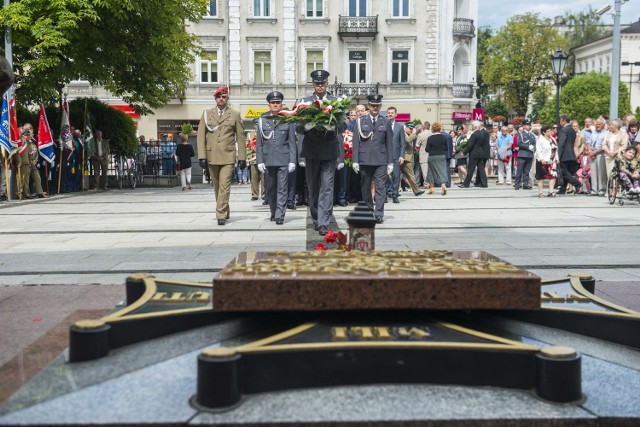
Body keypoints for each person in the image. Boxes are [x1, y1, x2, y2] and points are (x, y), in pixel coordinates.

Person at [297, 70, 345, 236]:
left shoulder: (336, 102)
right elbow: (297, 127)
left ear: (327, 84)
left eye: (322, 83)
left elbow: (344, 125)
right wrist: (307, 126)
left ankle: (324, 222)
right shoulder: (305, 102)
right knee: (313, 188)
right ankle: (317, 218)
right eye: (317, 83)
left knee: (327, 188)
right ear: (313, 84)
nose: (320, 86)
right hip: (311, 152)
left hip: (329, 151)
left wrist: (334, 127)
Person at [197, 86, 247, 226]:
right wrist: (202, 156)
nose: (221, 99)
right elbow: (201, 136)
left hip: (228, 156)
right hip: (212, 155)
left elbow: (241, 137)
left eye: (223, 97)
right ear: (215, 99)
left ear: (227, 99)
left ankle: (220, 214)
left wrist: (242, 157)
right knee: (217, 187)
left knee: (225, 186)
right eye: (218, 97)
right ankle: (225, 210)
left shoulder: (234, 114)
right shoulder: (207, 114)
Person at [256, 91, 297, 225]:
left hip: (283, 159)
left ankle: (280, 215)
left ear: (281, 104)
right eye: (273, 103)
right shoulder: (262, 121)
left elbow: (292, 141)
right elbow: (259, 143)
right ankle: (273, 212)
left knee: (282, 188)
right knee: (270, 188)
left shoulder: (288, 120)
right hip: (268, 160)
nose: (275, 105)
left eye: (278, 102)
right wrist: (260, 161)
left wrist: (292, 160)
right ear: (269, 105)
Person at [351, 94, 393, 223]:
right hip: (365, 160)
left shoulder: (385, 121)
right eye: (372, 105)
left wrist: (390, 162)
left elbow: (389, 144)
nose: (375, 107)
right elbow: (355, 142)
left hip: (381, 160)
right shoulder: (360, 121)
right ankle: (369, 211)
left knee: (381, 188)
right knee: (365, 188)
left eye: (377, 105)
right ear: (368, 106)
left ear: (380, 106)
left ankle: (379, 214)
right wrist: (355, 160)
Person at [14, 128, 47, 199]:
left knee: (37, 177)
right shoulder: (21, 142)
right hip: (25, 162)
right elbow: (17, 152)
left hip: (31, 162)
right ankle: (24, 194)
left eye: (29, 134)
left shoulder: (31, 143)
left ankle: (39, 192)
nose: (28, 136)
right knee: (24, 179)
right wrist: (19, 161)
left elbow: (34, 152)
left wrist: (34, 161)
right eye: (26, 135)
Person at [557, 115, 582, 195]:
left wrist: (558, 155)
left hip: (564, 154)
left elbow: (561, 144)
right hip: (571, 153)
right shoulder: (572, 129)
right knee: (567, 172)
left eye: (561, 121)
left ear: (564, 121)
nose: (560, 123)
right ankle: (562, 189)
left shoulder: (564, 130)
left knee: (564, 171)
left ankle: (577, 184)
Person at [460, 121, 490, 188]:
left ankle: (466, 184)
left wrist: (464, 152)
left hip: (474, 154)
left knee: (471, 169)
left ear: (475, 126)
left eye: (472, 125)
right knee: (481, 169)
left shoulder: (474, 134)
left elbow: (470, 145)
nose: (472, 126)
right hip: (480, 153)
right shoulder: (481, 134)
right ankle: (484, 184)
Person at [399, 122, 424, 196]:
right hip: (404, 158)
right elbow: (408, 140)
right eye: (409, 128)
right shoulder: (403, 134)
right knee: (407, 175)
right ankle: (416, 190)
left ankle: (416, 190)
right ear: (405, 128)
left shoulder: (408, 134)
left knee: (406, 175)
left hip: (407, 158)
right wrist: (414, 134)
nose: (411, 130)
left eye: (412, 128)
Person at [385, 106, 404, 204]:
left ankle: (395, 195)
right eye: (388, 113)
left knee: (396, 176)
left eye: (392, 113)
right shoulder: (383, 125)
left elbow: (402, 143)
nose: (390, 114)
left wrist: (402, 155)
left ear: (396, 114)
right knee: (384, 177)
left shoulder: (400, 127)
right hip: (384, 156)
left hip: (396, 156)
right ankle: (384, 196)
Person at [425, 122, 449, 195]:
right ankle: (443, 186)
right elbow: (446, 148)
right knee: (442, 171)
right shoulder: (444, 137)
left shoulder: (430, 138)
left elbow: (427, 149)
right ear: (439, 129)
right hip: (441, 156)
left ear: (432, 129)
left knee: (430, 172)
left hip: (432, 156)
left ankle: (432, 189)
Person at [535, 125, 559, 197]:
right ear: (544, 132)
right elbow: (539, 150)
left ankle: (551, 191)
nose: (550, 132)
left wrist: (557, 158)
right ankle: (540, 192)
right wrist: (541, 159)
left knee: (553, 176)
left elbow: (555, 149)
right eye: (548, 131)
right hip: (543, 160)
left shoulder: (553, 139)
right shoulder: (540, 140)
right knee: (541, 177)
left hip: (552, 160)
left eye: (550, 131)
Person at [514, 120, 536, 190]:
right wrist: (527, 147)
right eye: (527, 125)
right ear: (524, 126)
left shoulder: (532, 135)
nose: (529, 126)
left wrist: (533, 148)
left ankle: (525, 184)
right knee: (519, 170)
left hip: (529, 155)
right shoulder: (521, 134)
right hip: (522, 154)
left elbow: (534, 143)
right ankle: (517, 184)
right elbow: (519, 143)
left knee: (527, 171)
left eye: (530, 125)